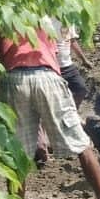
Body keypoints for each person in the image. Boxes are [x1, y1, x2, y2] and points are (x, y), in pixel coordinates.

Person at [0, 26, 100, 199]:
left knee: (16, 153)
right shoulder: (43, 16)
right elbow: (55, 49)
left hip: (14, 79)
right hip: (47, 76)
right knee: (81, 145)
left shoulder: (2, 16)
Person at [35, 21, 91, 164]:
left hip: (67, 65)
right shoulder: (45, 20)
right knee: (51, 100)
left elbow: (71, 41)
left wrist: (83, 59)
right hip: (51, 66)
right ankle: (45, 137)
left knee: (80, 89)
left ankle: (70, 115)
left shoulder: (68, 20)